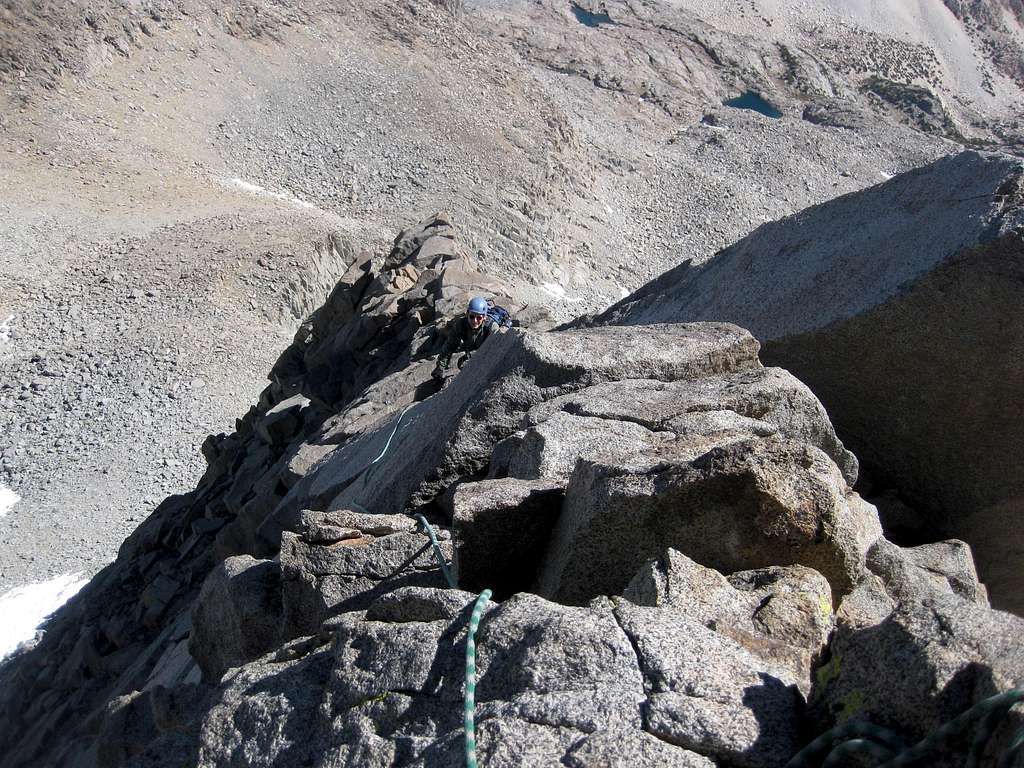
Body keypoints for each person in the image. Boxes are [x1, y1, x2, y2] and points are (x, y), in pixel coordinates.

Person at [432, 297, 499, 379]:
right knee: (462, 363)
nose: (475, 321)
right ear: (467, 313)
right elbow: (450, 346)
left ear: (484, 317)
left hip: (486, 354)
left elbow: (496, 350)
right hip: (472, 348)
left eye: (479, 318)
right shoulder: (461, 325)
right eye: (472, 316)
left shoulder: (492, 328)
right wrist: (440, 367)